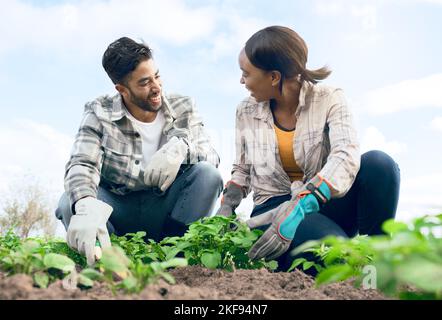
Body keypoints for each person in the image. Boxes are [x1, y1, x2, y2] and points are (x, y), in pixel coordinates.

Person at [216, 26, 400, 273]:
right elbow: (242, 168)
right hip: (273, 209)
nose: (241, 81)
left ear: (274, 77)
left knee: (380, 165)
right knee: (339, 263)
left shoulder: (329, 98)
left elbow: (345, 155)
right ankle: (335, 256)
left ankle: (378, 265)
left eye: (246, 74)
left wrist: (304, 201)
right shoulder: (246, 111)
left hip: (319, 201)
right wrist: (228, 204)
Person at [55, 37, 223, 266]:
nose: (156, 88)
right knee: (70, 202)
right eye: (144, 83)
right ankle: (108, 261)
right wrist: (84, 203)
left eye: (157, 76)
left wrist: (182, 150)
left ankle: (174, 260)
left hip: (164, 207)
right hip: (118, 207)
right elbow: (82, 163)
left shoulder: (183, 106)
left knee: (207, 176)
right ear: (122, 89)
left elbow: (211, 155)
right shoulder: (98, 111)